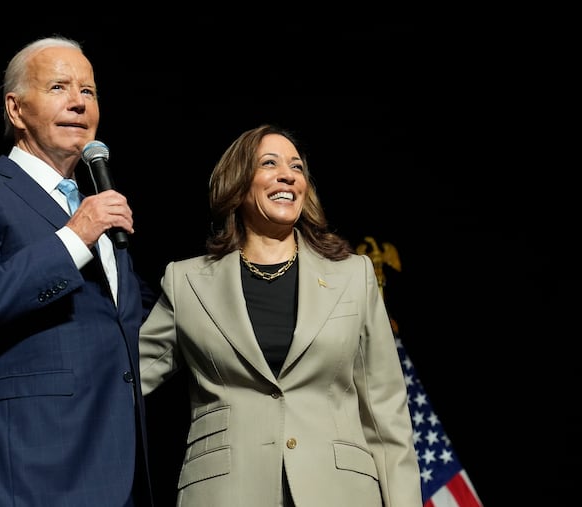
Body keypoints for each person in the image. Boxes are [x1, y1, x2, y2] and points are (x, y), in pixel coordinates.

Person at [0, 36, 155, 507]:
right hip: (26, 471)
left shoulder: (97, 211)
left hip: (118, 472)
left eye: (88, 91)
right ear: (15, 109)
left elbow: (135, 323)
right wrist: (72, 239)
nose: (78, 102)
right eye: (58, 87)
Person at [139, 124, 422, 506]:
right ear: (237, 185)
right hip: (226, 493)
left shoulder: (353, 276)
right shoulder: (187, 281)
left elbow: (386, 411)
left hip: (340, 492)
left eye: (297, 167)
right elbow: (125, 379)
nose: (287, 174)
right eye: (269, 163)